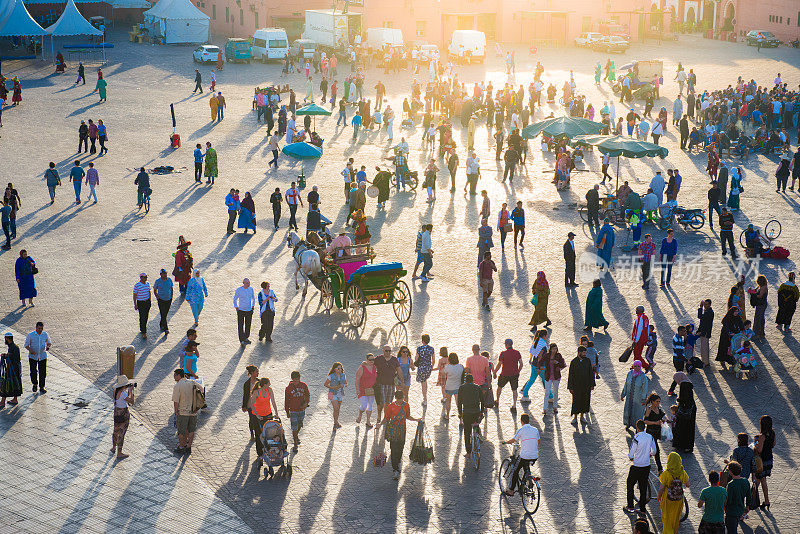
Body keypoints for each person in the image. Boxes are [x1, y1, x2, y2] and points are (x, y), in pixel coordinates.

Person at [382, 390, 419, 480]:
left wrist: (416, 420)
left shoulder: (406, 405)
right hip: (393, 431)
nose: (401, 401)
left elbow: (408, 416)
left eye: (402, 399)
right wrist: (380, 424)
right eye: (399, 399)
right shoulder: (391, 406)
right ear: (396, 399)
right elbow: (386, 418)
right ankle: (395, 469)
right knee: (394, 449)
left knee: (400, 448)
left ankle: (397, 462)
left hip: (402, 430)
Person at [501, 413, 540, 496]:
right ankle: (528, 479)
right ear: (529, 421)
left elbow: (513, 440)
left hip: (524, 456)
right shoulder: (535, 429)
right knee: (526, 465)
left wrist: (506, 442)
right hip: (535, 455)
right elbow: (538, 441)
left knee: (515, 470)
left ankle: (511, 490)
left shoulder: (521, 430)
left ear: (521, 422)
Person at [624, 419, 656, 515]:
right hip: (646, 466)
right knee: (643, 488)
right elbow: (654, 451)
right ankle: (642, 509)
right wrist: (649, 454)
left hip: (637, 466)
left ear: (637, 428)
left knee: (630, 485)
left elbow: (630, 455)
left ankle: (630, 506)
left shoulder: (636, 439)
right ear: (644, 427)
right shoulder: (650, 437)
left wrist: (631, 457)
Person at [657, 452, 690, 534]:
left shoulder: (666, 473)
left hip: (667, 499)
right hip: (679, 500)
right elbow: (688, 484)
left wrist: (658, 497)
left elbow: (661, 488)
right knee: (675, 518)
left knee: (667, 518)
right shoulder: (682, 472)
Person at [457, 373, 484, 459]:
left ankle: (468, 452)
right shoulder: (478, 387)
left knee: (467, 432)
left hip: (467, 412)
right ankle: (477, 435)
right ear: (472, 380)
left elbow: (459, 402)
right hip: (476, 411)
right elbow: (482, 401)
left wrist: (460, 413)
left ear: (465, 380)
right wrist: (481, 412)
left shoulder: (462, 388)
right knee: (476, 424)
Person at [374, 345, 402, 424]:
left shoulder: (394, 359)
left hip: (391, 385)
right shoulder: (378, 359)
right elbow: (371, 365)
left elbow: (399, 370)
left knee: (388, 403)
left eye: (390, 351)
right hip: (381, 384)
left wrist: (402, 381)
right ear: (383, 351)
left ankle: (385, 417)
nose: (388, 352)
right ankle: (379, 415)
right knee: (381, 403)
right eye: (386, 351)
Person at [753, 414, 776, 510]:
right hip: (769, 459)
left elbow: (759, 450)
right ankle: (762, 499)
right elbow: (773, 444)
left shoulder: (762, 436)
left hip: (762, 461)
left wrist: (756, 443)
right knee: (761, 479)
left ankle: (755, 499)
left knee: (759, 480)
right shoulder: (773, 433)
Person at [172, 368, 197, 454]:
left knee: (181, 430)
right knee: (191, 430)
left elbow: (176, 401)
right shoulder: (192, 382)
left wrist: (176, 411)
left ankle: (181, 446)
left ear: (179, 375)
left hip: (183, 412)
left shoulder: (177, 386)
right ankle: (189, 446)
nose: (174, 377)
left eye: (175, 375)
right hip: (193, 411)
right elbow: (201, 389)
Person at [568, 346, 595, 424]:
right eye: (583, 352)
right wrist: (570, 387)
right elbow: (571, 375)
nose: (584, 354)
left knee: (585, 400)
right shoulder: (574, 362)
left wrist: (592, 384)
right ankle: (575, 417)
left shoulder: (587, 361)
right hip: (576, 386)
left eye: (585, 352)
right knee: (576, 401)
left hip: (586, 385)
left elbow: (590, 373)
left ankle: (582, 416)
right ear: (579, 352)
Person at [494, 339, 522, 412]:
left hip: (504, 374)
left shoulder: (503, 353)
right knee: (514, 390)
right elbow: (521, 364)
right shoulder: (517, 352)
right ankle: (514, 405)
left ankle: (497, 401)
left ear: (506, 345)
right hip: (514, 374)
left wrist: (495, 371)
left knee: (499, 387)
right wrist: (518, 371)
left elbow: (499, 364)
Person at [284, 371, 310, 450]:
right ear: (292, 379)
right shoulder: (288, 389)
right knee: (294, 427)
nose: (296, 382)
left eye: (297, 380)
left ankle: (296, 436)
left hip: (302, 409)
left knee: (299, 424)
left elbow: (307, 394)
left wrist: (306, 403)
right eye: (295, 380)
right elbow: (286, 401)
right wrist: (287, 411)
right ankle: (295, 443)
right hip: (293, 410)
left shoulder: (303, 385)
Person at [111, 375, 134, 459]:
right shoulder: (123, 394)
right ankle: (119, 453)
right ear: (124, 385)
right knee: (122, 433)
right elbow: (132, 402)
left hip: (116, 412)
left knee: (115, 430)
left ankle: (114, 447)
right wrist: (132, 392)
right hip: (123, 414)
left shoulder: (115, 391)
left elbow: (122, 399)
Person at [24, 322, 50, 394]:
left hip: (42, 356)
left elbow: (49, 342)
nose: (40, 330)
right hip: (33, 356)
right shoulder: (30, 335)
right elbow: (26, 345)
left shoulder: (45, 334)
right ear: (36, 328)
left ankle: (42, 387)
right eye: (39, 328)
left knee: (43, 372)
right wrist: (30, 350)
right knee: (33, 371)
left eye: (41, 328)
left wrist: (48, 346)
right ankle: (35, 384)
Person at [621, 361, 649, 430]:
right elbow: (626, 384)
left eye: (638, 366)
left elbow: (644, 388)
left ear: (640, 367)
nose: (636, 368)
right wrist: (623, 394)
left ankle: (637, 427)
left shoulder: (643, 376)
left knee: (637, 412)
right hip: (629, 397)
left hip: (638, 399)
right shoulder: (630, 374)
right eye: (635, 366)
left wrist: (643, 399)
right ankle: (628, 423)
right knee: (628, 410)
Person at [539, 343, 566, 414]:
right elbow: (540, 362)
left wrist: (557, 363)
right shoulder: (547, 355)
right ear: (550, 349)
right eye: (553, 348)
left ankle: (555, 407)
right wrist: (542, 367)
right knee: (547, 392)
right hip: (548, 376)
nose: (555, 350)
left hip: (556, 376)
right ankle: (544, 409)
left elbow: (563, 364)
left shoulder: (558, 356)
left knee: (555, 392)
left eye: (556, 348)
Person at [672, 381, 696, 453]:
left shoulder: (691, 404)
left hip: (688, 420)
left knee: (688, 430)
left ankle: (687, 446)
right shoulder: (684, 400)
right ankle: (679, 445)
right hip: (682, 419)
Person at [0, 333, 22, 407]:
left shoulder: (14, 347)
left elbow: (15, 358)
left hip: (12, 369)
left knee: (6, 384)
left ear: (6, 338)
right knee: (15, 384)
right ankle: (15, 399)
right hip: (15, 369)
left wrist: (7, 356)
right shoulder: (12, 346)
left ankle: (2, 401)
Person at [355, 354, 377, 428]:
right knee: (364, 406)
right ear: (366, 360)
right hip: (363, 390)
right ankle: (360, 415)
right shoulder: (362, 368)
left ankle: (368, 421)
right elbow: (357, 379)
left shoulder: (375, 367)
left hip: (372, 390)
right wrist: (357, 389)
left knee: (370, 406)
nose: (371, 361)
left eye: (373, 359)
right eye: (370, 360)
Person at [324, 362, 347, 430]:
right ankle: (335, 423)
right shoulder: (331, 376)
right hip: (331, 394)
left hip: (340, 394)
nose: (340, 369)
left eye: (341, 368)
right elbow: (325, 384)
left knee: (338, 409)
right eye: (338, 368)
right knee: (336, 408)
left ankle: (336, 422)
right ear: (334, 369)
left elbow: (346, 383)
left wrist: (344, 385)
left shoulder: (343, 375)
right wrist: (333, 387)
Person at [233, 278, 255, 344]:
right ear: (243, 283)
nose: (248, 284)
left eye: (249, 283)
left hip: (249, 310)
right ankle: (241, 339)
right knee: (240, 325)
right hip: (241, 310)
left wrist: (253, 306)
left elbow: (253, 298)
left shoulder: (251, 289)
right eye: (247, 283)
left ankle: (246, 337)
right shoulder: (239, 290)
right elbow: (235, 299)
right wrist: (236, 307)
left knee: (248, 325)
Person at [241, 365, 260, 440]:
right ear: (252, 373)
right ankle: (252, 433)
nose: (258, 373)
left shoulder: (259, 382)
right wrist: (244, 406)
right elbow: (245, 395)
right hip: (250, 404)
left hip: (258, 404)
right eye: (256, 372)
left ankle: (258, 433)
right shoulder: (247, 384)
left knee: (257, 419)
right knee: (252, 419)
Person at [414, 334, 434, 406]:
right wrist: (431, 367)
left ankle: (425, 399)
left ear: (422, 341)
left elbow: (416, 358)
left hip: (421, 368)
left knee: (423, 383)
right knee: (425, 381)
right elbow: (433, 359)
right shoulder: (431, 349)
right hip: (428, 367)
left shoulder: (419, 349)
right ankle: (425, 396)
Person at [152, 269, 173, 336]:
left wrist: (171, 296)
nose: (165, 275)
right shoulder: (158, 281)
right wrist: (157, 297)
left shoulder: (169, 280)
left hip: (168, 299)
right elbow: (155, 290)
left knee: (165, 313)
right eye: (163, 273)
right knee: (163, 313)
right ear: (160, 274)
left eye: (165, 273)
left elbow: (171, 288)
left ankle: (161, 324)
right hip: (161, 300)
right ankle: (166, 328)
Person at [631, 306, 650, 371]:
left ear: (639, 311)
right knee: (637, 353)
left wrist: (635, 341)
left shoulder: (640, 318)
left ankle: (646, 366)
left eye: (637, 310)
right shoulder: (645, 317)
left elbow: (638, 330)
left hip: (639, 340)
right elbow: (647, 329)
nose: (635, 311)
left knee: (637, 354)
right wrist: (646, 338)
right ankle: (634, 365)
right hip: (643, 339)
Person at [133, 273, 151, 339]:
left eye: (146, 277)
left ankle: (142, 328)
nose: (146, 278)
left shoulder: (147, 284)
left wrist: (150, 300)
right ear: (141, 278)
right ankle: (144, 331)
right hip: (141, 303)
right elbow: (135, 294)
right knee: (142, 316)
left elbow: (149, 292)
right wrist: (135, 304)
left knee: (146, 316)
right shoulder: (137, 285)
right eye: (145, 277)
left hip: (147, 302)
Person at [697, 299, 714, 367]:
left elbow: (700, 317)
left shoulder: (709, 312)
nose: (705, 306)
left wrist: (700, 307)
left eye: (707, 304)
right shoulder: (707, 311)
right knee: (704, 347)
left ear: (710, 304)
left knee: (704, 348)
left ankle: (705, 362)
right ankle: (705, 361)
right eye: (705, 304)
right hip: (704, 332)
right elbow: (702, 322)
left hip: (705, 332)